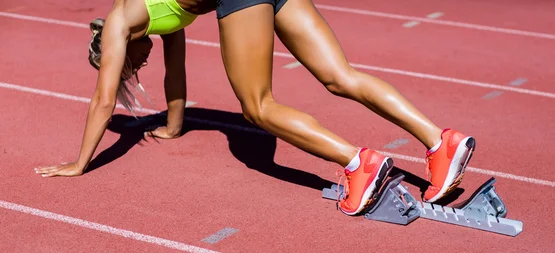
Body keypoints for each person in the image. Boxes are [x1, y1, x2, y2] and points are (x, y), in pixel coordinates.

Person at [34, 0, 476, 215]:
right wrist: (173, 125)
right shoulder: (153, 18)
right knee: (340, 76)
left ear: (118, 50)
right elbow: (176, 71)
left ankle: (359, 163)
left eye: (130, 65)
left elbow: (103, 99)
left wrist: (79, 163)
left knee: (257, 107)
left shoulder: (120, 20)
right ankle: (440, 141)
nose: (137, 67)